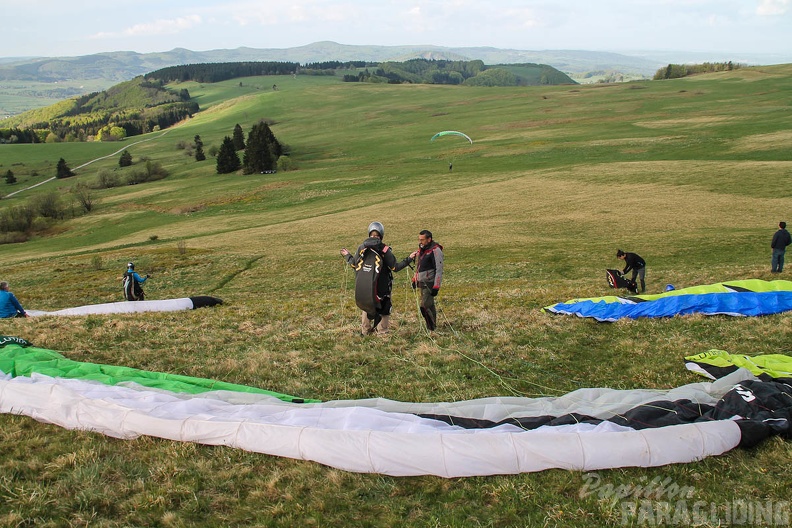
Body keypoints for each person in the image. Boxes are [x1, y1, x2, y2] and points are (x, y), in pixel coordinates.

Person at [341, 222, 412, 335]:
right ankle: (382, 331)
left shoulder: (362, 248)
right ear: (381, 235)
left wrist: (347, 255)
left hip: (366, 284)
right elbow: (395, 267)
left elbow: (354, 264)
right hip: (383, 285)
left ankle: (365, 330)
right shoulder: (385, 250)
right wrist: (409, 259)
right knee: (384, 306)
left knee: (367, 305)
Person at [410, 230, 444, 331]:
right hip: (422, 282)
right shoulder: (421, 250)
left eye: (422, 240)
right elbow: (419, 267)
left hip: (429, 283)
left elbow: (439, 269)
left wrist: (436, 286)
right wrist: (415, 279)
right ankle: (433, 327)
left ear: (429, 239)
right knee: (430, 305)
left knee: (424, 306)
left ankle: (431, 328)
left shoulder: (435, 250)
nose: (420, 242)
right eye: (419, 239)